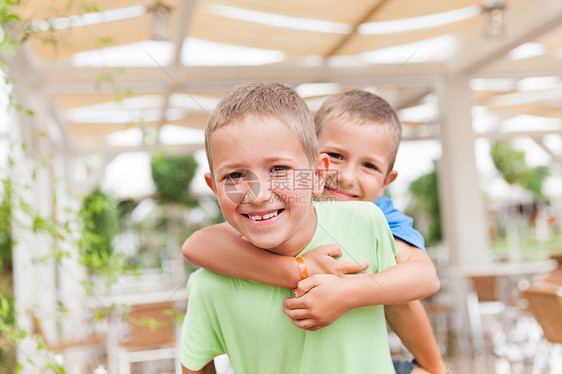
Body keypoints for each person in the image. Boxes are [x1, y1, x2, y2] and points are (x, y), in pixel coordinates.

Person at [183, 89, 447, 374]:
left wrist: (434, 368)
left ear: (315, 174)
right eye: (234, 175)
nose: (345, 177)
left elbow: (408, 296)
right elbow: (199, 245)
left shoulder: (374, 218)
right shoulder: (258, 222)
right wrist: (297, 270)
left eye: (279, 169)